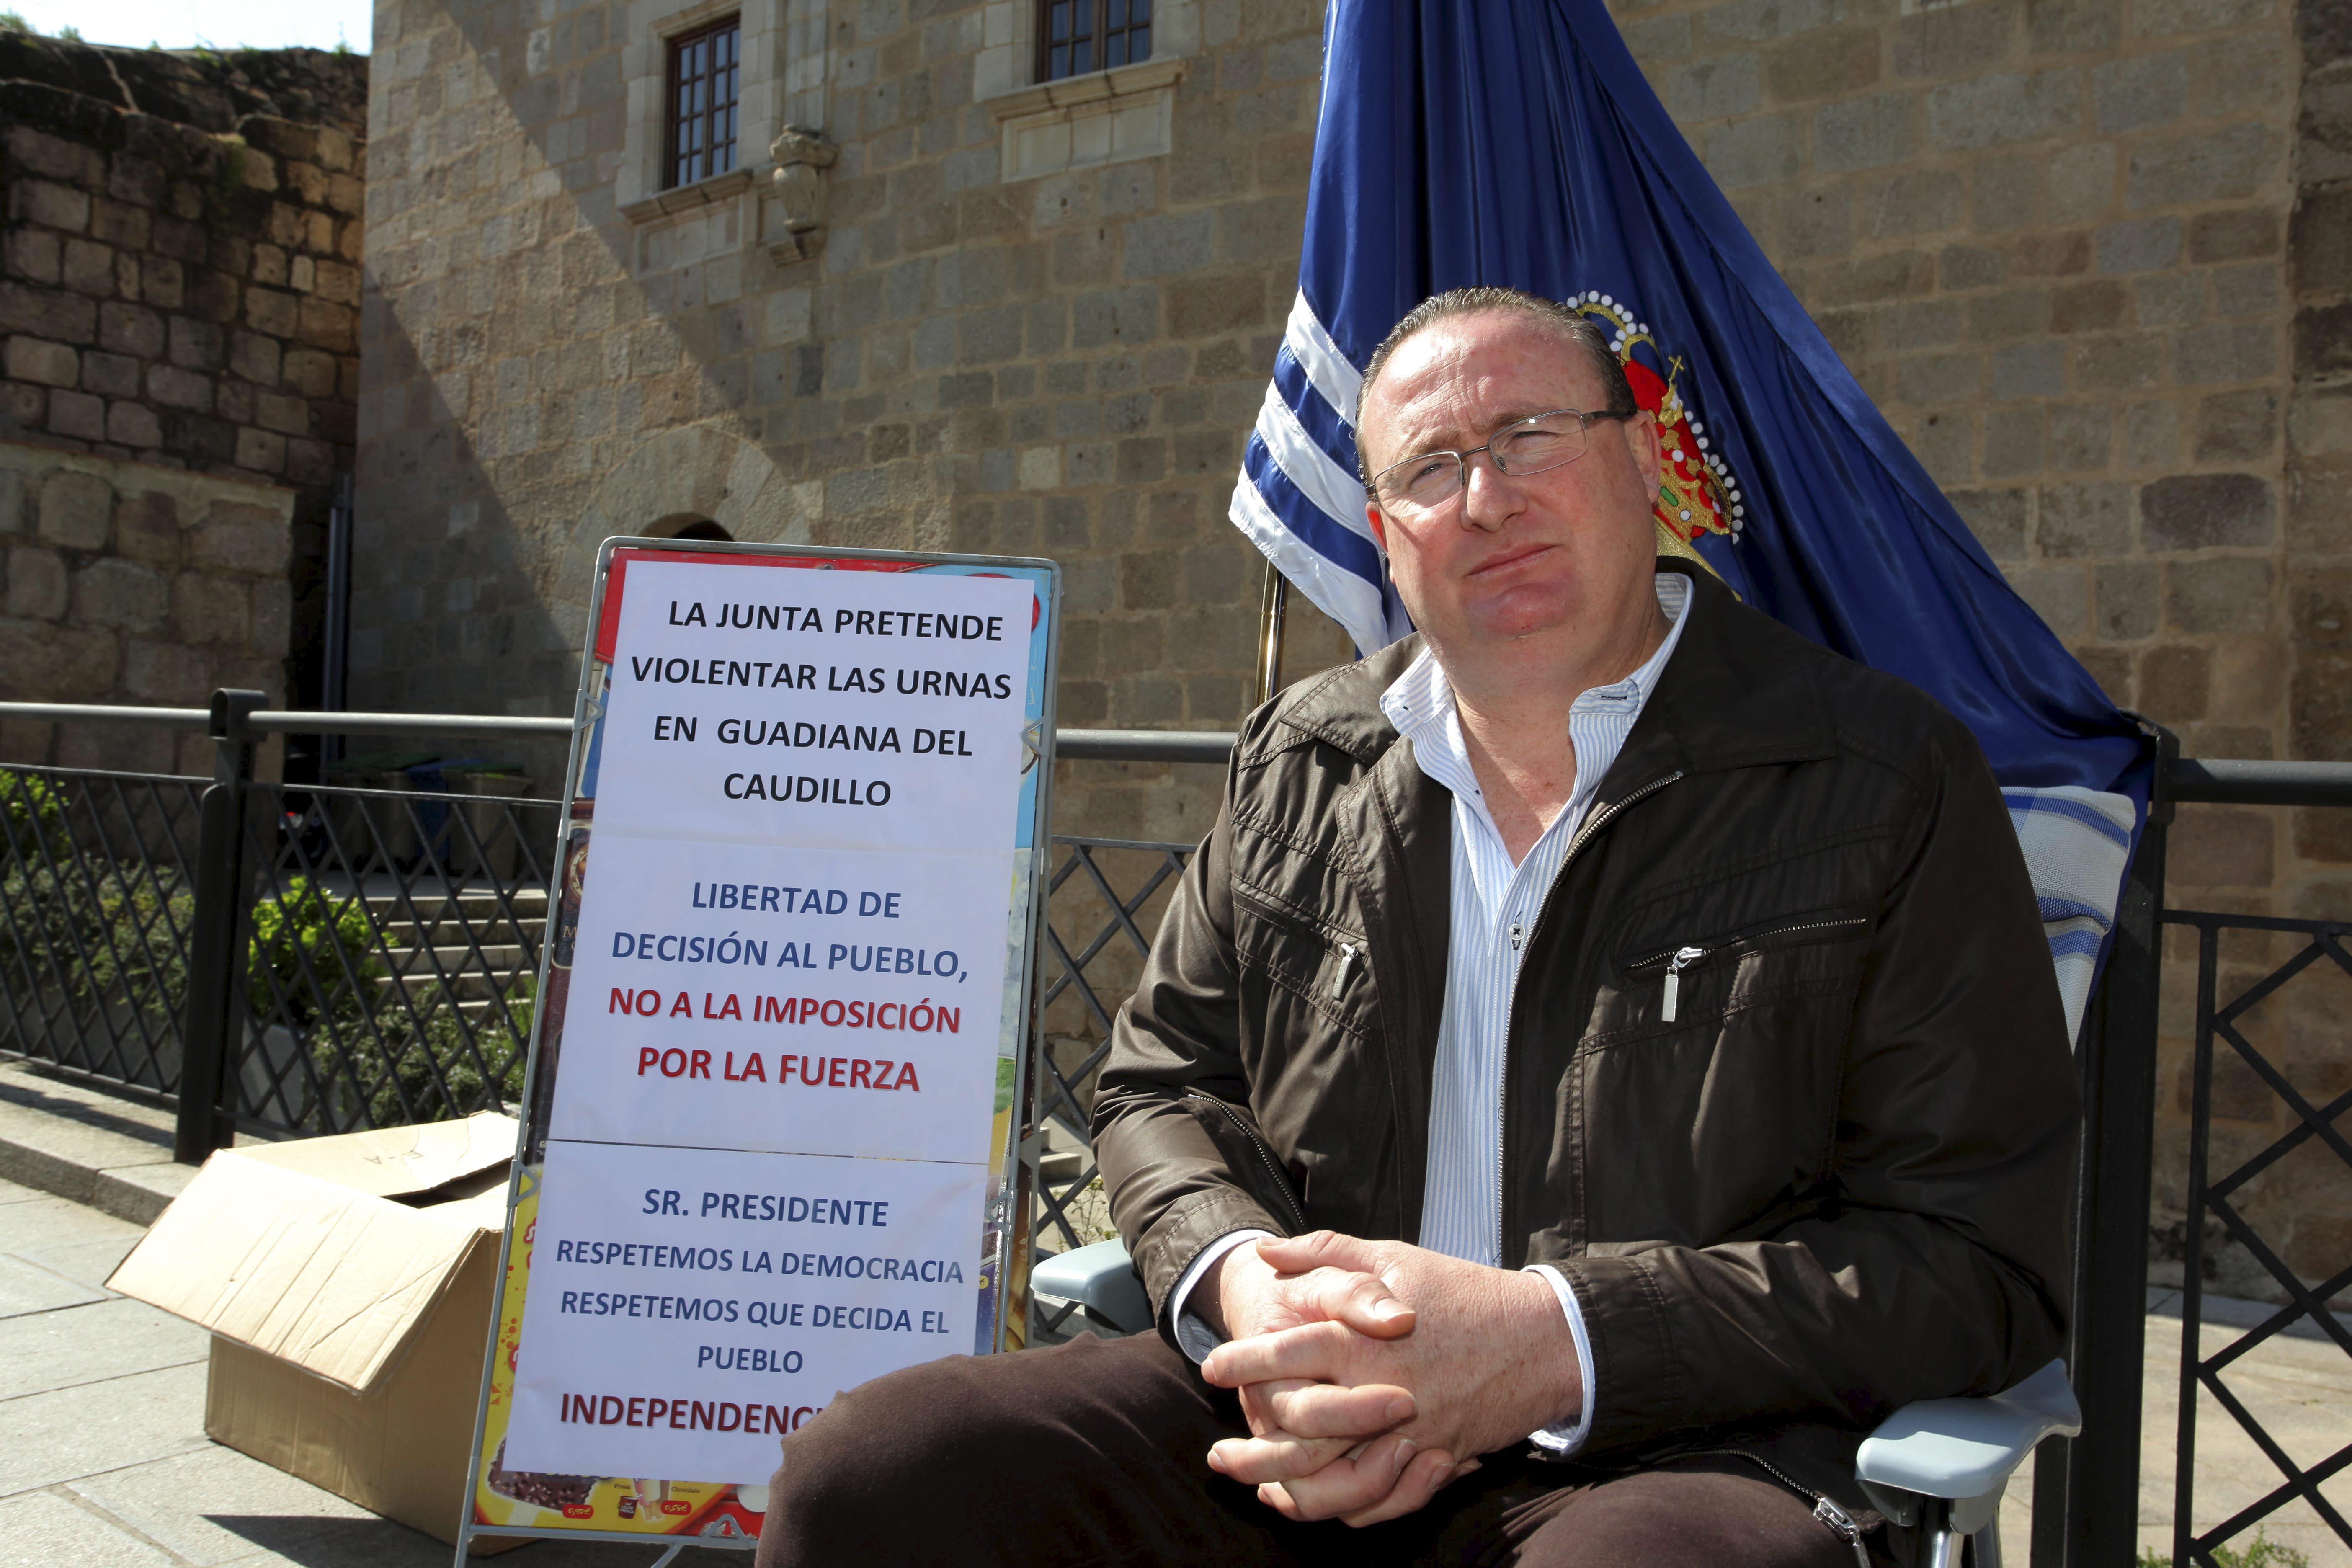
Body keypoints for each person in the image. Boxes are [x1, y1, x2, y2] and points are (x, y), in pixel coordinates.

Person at [753, 286, 2080, 1568]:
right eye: (1431, 467)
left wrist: (1547, 1337)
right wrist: (1243, 1287)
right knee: (880, 1473)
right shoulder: (1305, 759)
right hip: (1300, 1417)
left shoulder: (1876, 777)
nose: (1486, 498)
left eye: (1527, 437)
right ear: (1388, 535)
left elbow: (1972, 1261)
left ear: (1640, 463)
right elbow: (1165, 1083)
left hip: (1680, 1444)